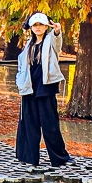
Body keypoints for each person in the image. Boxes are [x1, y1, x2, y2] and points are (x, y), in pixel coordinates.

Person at [15, 12, 71, 167]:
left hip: (46, 88)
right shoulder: (28, 45)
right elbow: (22, 66)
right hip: (29, 89)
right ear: (31, 27)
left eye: (41, 25)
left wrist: (57, 31)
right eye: (35, 25)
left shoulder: (50, 41)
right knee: (29, 124)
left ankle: (60, 158)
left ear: (46, 27)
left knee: (50, 125)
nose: (38, 28)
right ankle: (29, 157)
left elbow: (57, 41)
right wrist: (20, 82)